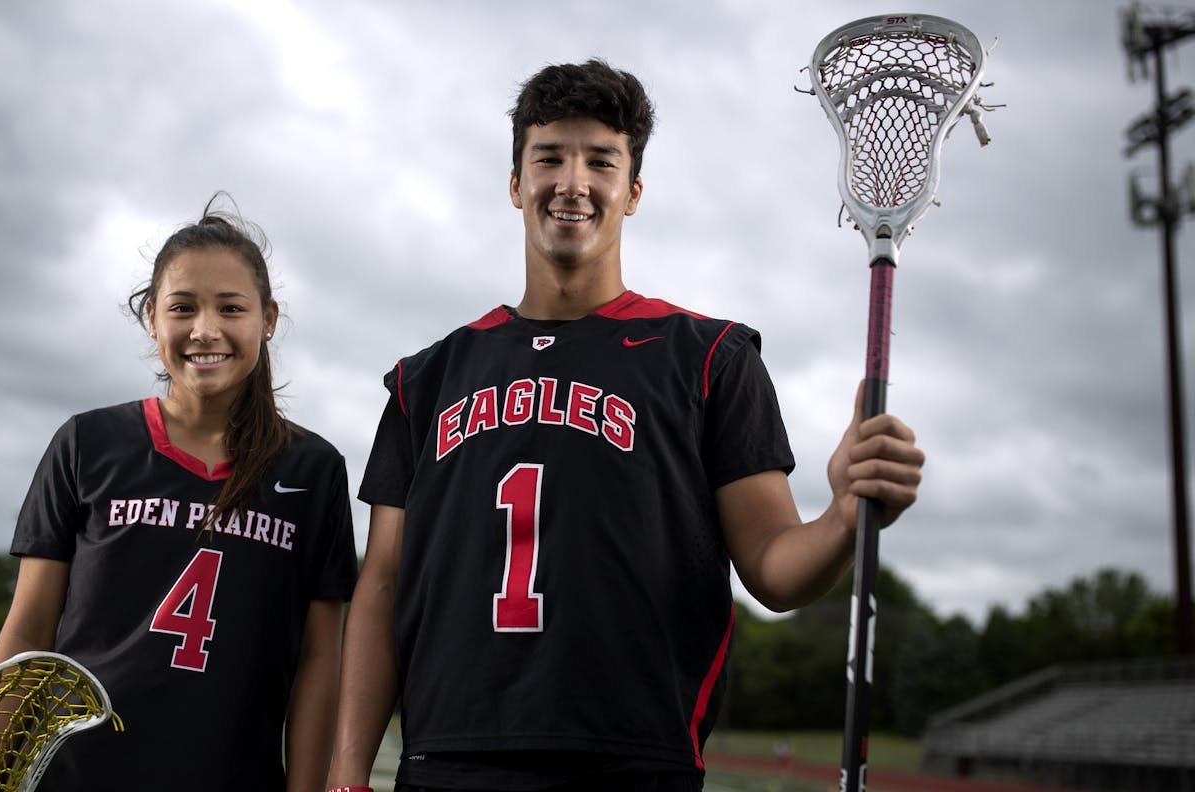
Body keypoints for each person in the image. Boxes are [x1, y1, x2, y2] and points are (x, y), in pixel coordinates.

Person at [326, 60, 925, 792]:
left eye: (600, 161)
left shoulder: (709, 358)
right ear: (515, 184)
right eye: (548, 157)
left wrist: (843, 515)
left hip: (633, 759)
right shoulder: (426, 379)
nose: (571, 182)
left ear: (632, 191)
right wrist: (347, 772)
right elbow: (382, 583)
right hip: (449, 756)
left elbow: (772, 565)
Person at [0, 196, 358, 792]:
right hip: (77, 778)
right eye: (182, 308)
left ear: (267, 318)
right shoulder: (86, 443)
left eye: (230, 308)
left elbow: (320, 661)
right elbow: (29, 633)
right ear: (150, 318)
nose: (205, 330)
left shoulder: (312, 469)